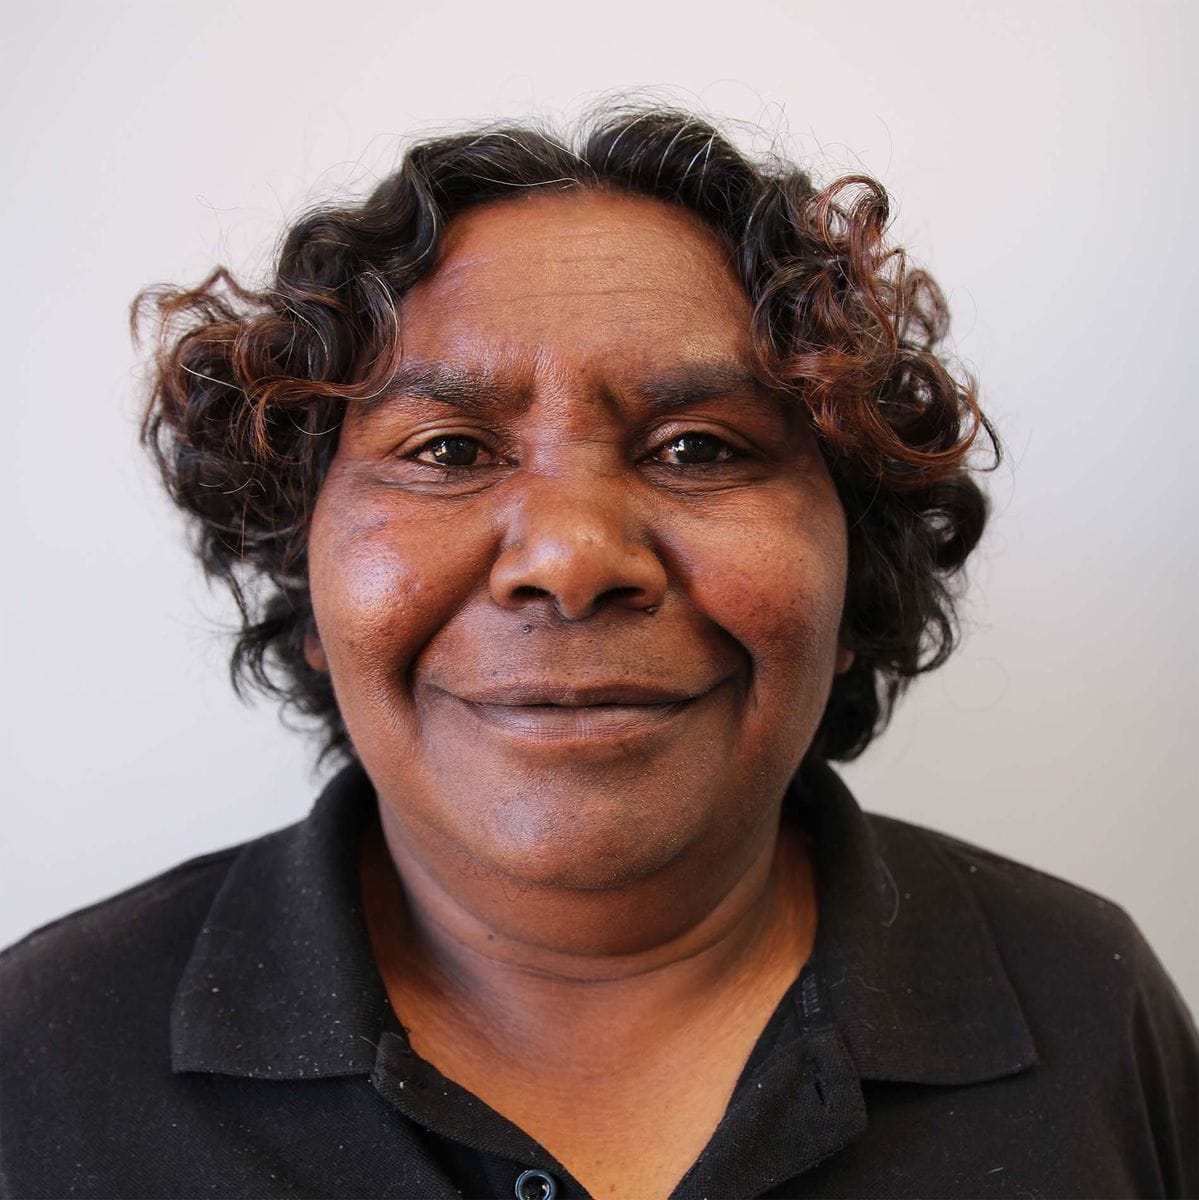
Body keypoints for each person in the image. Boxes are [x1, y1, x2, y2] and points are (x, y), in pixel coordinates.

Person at [1, 107, 1195, 1200]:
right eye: (449, 449)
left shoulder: (1084, 1006)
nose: (571, 558)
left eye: (697, 449)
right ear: (304, 583)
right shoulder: (43, 1054)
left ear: (857, 573)